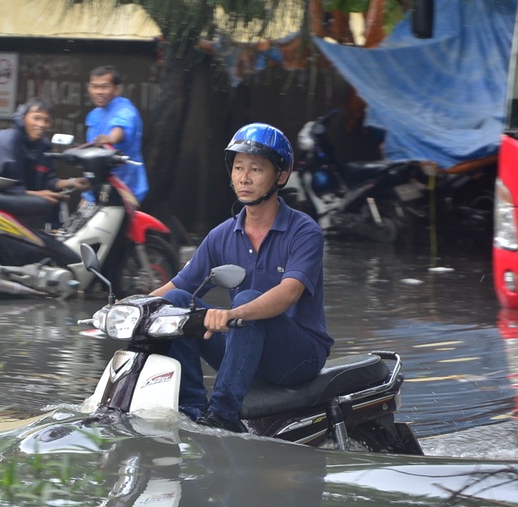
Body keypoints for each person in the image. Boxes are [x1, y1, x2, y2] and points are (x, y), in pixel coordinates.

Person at [150, 122, 334, 433]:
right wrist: (130, 308)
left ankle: (224, 416)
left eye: (256, 169)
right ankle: (193, 410)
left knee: (248, 299)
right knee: (174, 304)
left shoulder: (305, 231)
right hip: (243, 345)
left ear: (281, 175)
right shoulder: (221, 235)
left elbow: (289, 292)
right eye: (238, 168)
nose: (244, 178)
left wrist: (234, 314)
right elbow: (177, 287)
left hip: (298, 358)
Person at [0, 98, 88, 225]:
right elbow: (0, 187)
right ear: (23, 118)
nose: (41, 124)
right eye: (36, 118)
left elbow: (47, 181)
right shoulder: (6, 142)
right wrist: (37, 195)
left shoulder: (42, 146)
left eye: (46, 120)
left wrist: (72, 182)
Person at [84, 65, 148, 204]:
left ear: (116, 89)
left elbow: (119, 128)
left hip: (124, 188)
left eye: (104, 87)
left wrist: (110, 140)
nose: (98, 91)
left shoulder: (125, 110)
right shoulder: (94, 114)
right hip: (96, 186)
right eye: (94, 86)